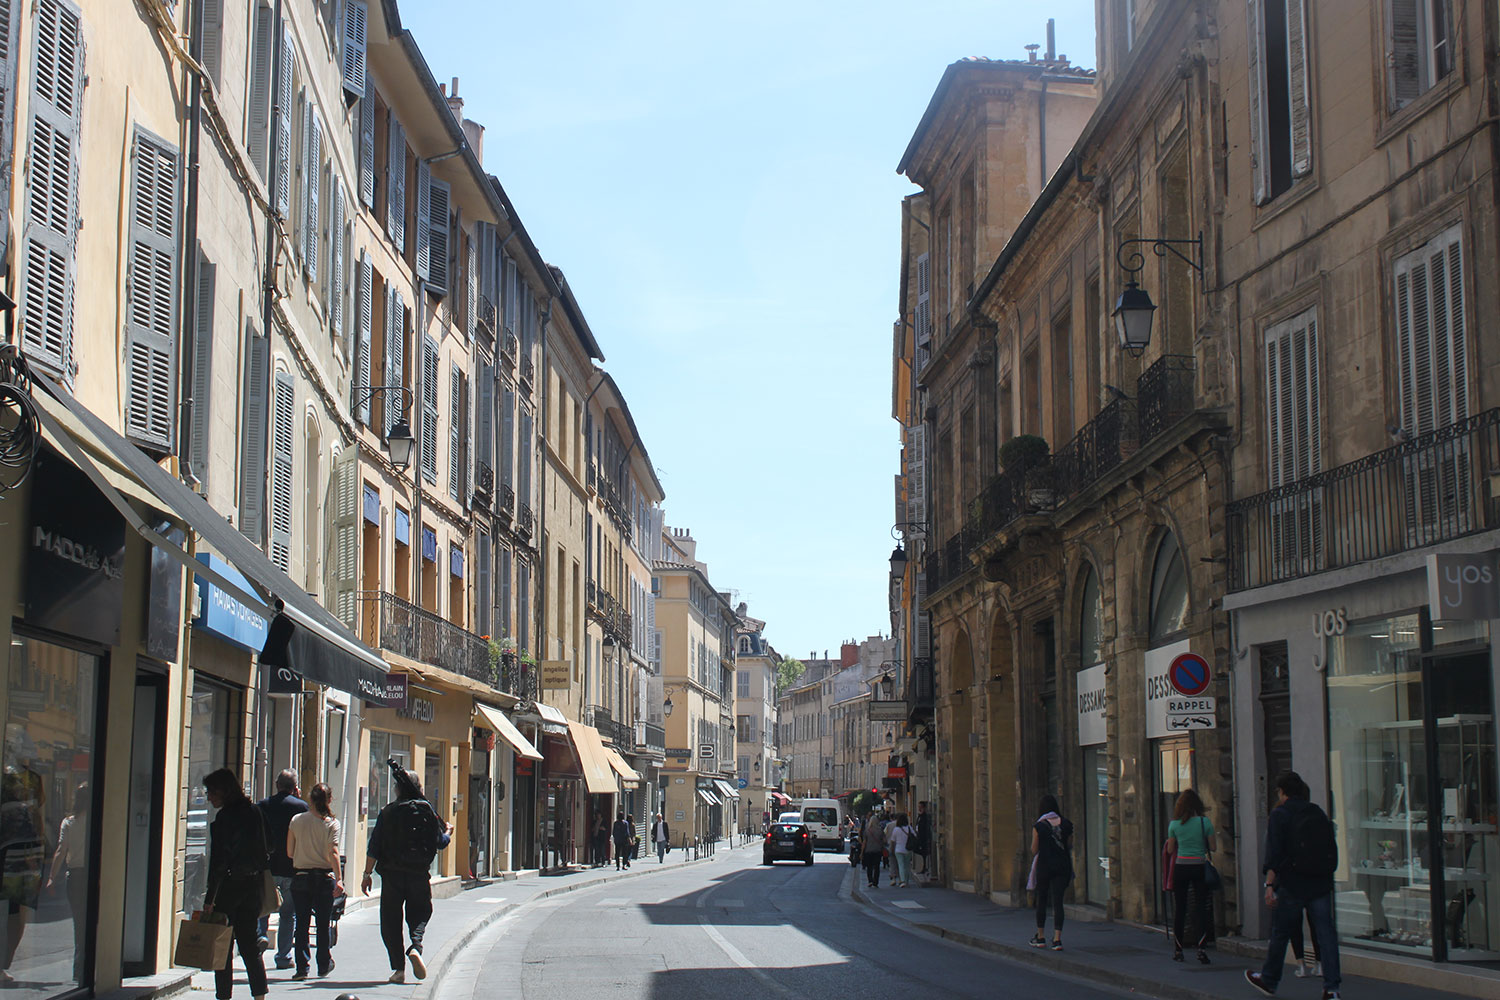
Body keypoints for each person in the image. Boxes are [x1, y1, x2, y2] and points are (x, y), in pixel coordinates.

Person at [1245, 770, 1341, 1000]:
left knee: (1281, 933)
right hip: (1320, 882)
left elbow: (1274, 852)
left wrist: (1269, 884)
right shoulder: (1316, 811)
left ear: (1282, 792)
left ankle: (1269, 980)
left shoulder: (1280, 814)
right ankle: (1332, 989)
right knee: (1326, 934)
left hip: (1293, 882)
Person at [361, 767, 451, 984]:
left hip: (391, 875)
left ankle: (398, 970)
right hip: (418, 874)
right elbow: (440, 843)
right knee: (420, 913)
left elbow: (374, 847)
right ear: (419, 788)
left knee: (390, 922)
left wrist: (366, 874)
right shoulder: (427, 810)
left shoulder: (389, 811)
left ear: (397, 789)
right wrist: (448, 832)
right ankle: (416, 945)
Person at [202, 768, 269, 1000]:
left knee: (223, 945)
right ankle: (259, 995)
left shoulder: (225, 818)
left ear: (223, 791)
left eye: (211, 792)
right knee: (249, 944)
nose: (209, 797)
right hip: (252, 886)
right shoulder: (254, 812)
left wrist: (210, 898)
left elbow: (219, 861)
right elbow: (264, 851)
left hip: (229, 887)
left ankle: (224, 996)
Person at [286, 782, 343, 980]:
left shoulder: (296, 820)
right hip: (323, 878)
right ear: (329, 800)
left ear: (310, 799)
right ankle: (324, 964)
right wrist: (339, 879)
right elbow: (333, 851)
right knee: (322, 923)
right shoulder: (331, 824)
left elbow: (290, 852)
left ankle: (302, 967)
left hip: (301, 877)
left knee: (301, 924)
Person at [255, 770, 307, 968]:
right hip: (291, 867)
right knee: (288, 914)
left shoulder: (262, 806)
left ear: (277, 784)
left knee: (264, 909)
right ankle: (283, 957)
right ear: (295, 787)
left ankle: (260, 939)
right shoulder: (301, 807)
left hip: (267, 867)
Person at [1166, 788, 1216, 964]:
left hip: (1181, 868)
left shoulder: (1174, 825)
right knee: (1201, 908)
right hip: (1199, 867)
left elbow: (1170, 850)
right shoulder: (1205, 822)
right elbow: (1214, 847)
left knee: (1180, 909)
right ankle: (1201, 948)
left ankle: (1178, 950)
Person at [45, 784, 89, 982]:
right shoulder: (97, 820)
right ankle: (92, 969)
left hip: (76, 876)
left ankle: (79, 972)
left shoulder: (69, 823)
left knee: (79, 926)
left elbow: (61, 850)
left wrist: (52, 878)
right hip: (92, 876)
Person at [1028, 794, 1073, 952]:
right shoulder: (1066, 824)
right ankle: (1057, 939)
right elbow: (1069, 845)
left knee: (1042, 900)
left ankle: (1040, 937)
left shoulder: (1039, 826)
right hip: (1062, 866)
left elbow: (1034, 849)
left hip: (1045, 866)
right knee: (1058, 902)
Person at [889, 812, 916, 888]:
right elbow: (914, 835)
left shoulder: (896, 829)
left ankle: (902, 881)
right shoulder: (909, 828)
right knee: (907, 866)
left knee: (901, 865)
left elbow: (893, 841)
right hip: (908, 849)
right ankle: (906, 880)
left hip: (898, 850)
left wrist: (892, 849)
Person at [861, 811, 886, 888]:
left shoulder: (867, 831)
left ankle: (870, 881)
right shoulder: (880, 830)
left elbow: (864, 842)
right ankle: (876, 882)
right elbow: (884, 840)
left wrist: (862, 852)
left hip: (868, 850)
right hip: (878, 850)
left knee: (869, 867)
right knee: (877, 866)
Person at [915, 801, 933, 877]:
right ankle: (924, 866)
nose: (919, 808)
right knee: (920, 851)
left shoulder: (925, 817)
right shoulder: (919, 816)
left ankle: (926, 867)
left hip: (924, 837)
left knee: (924, 852)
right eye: (918, 807)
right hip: (919, 837)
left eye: (921, 807)